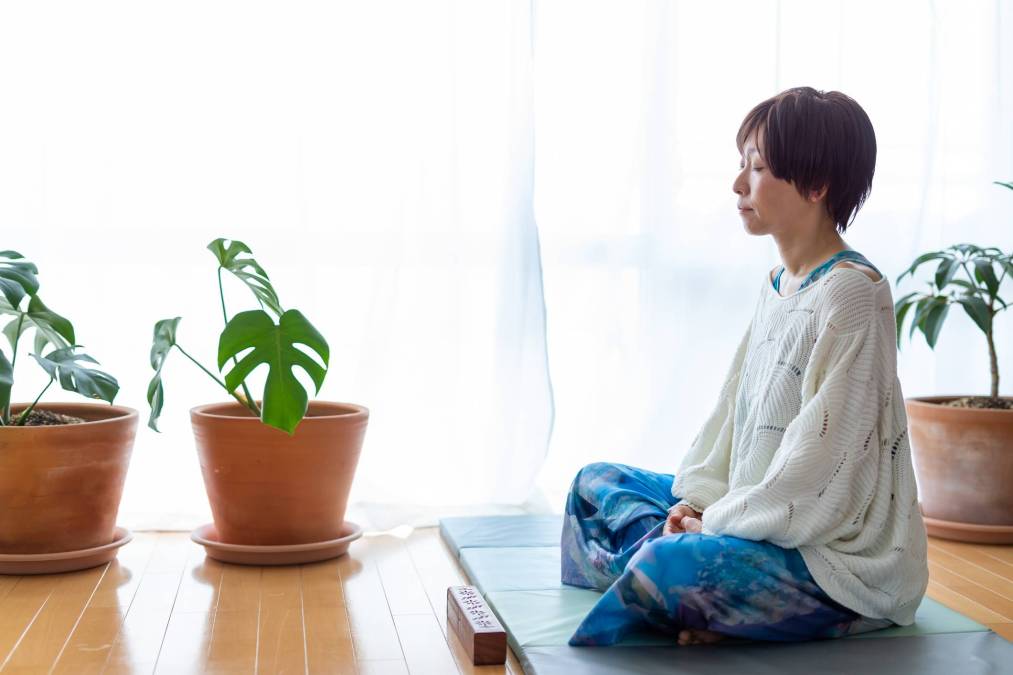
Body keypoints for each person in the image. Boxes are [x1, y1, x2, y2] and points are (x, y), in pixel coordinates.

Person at [560, 86, 929, 647]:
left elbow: (819, 474)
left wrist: (716, 526)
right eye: (742, 165)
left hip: (826, 555)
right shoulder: (777, 285)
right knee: (596, 484)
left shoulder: (853, 294)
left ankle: (692, 591)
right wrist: (701, 504)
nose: (739, 184)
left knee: (672, 564)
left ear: (816, 184)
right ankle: (706, 603)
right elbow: (735, 415)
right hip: (746, 518)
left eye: (757, 168)